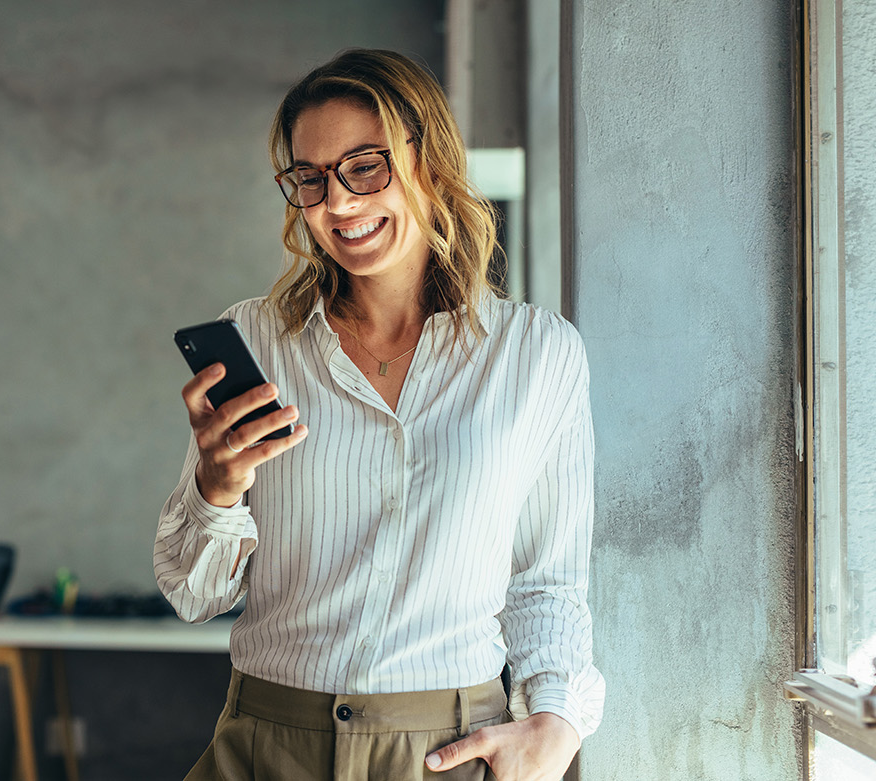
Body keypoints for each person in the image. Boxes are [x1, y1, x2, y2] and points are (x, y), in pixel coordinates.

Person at [155, 49, 603, 781]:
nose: (336, 203)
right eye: (310, 178)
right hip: (267, 742)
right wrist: (217, 486)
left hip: (445, 751)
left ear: (431, 162)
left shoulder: (537, 353)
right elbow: (194, 592)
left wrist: (555, 723)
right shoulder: (260, 341)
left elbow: (547, 582)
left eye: (366, 166)